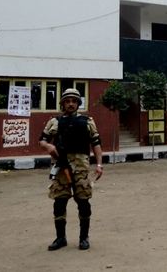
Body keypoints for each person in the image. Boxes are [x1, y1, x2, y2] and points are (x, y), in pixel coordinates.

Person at [39, 88, 103, 251]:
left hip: (80, 168)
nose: (71, 104)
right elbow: (42, 140)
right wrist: (48, 146)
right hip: (61, 167)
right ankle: (61, 238)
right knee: (59, 202)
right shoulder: (54, 121)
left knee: (83, 201)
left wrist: (99, 165)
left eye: (74, 101)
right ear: (63, 103)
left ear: (78, 103)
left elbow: (96, 143)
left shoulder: (87, 121)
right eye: (67, 101)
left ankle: (84, 238)